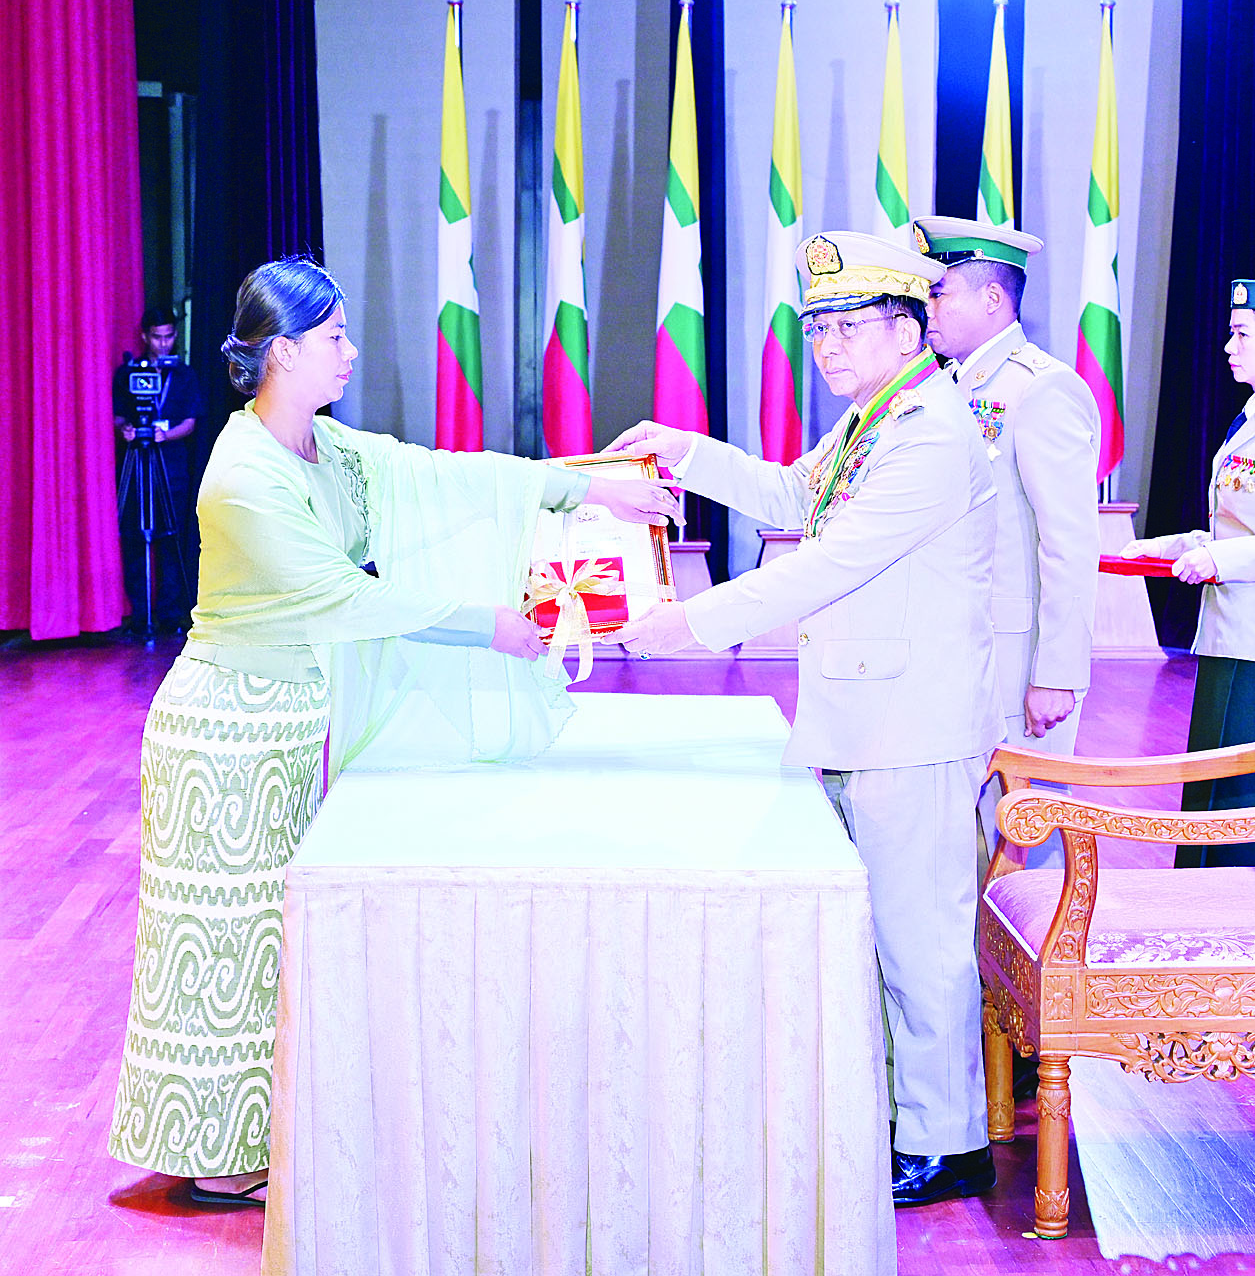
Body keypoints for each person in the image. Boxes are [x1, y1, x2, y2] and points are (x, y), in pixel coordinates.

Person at [107, 256, 678, 1206]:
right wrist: (487, 625)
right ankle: (216, 1156)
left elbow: (440, 475)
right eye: (333, 337)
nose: (349, 352)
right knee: (224, 946)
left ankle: (252, 1137)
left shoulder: (323, 446)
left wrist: (585, 491)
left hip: (288, 723)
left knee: (269, 943)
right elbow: (343, 597)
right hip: (225, 733)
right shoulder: (242, 473)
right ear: (281, 352)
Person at [602, 232, 1004, 1207]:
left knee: (919, 941)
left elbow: (831, 560)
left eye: (847, 327)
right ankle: (911, 1118)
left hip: (912, 727)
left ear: (907, 329)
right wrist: (681, 448)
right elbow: (793, 494)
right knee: (884, 935)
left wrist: (687, 624)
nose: (825, 347)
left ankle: (951, 1142)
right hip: (869, 713)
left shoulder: (930, 430)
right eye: (817, 328)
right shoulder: (877, 417)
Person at [1122, 275, 1255, 866]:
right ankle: (1197, 905)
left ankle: (1239, 911)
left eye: (1243, 334)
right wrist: (1161, 548)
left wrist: (1217, 559)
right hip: (1227, 632)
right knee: (1209, 791)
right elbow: (1237, 528)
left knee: (1242, 803)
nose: (1228, 346)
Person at [912, 217, 1100, 873]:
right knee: (961, 845)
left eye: (940, 293)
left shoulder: (1041, 388)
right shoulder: (947, 387)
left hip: (1017, 660)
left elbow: (1069, 542)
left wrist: (1056, 673)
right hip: (955, 648)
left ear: (993, 298)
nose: (927, 308)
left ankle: (1031, 947)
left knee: (1024, 840)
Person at [113, 306, 203, 633]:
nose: (163, 344)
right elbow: (119, 415)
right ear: (144, 337)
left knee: (171, 539)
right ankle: (140, 614)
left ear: (175, 335)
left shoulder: (184, 375)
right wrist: (125, 429)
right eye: (156, 338)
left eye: (168, 337)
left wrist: (167, 435)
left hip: (171, 467)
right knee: (134, 539)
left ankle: (170, 613)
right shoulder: (127, 373)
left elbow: (191, 422)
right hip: (137, 465)